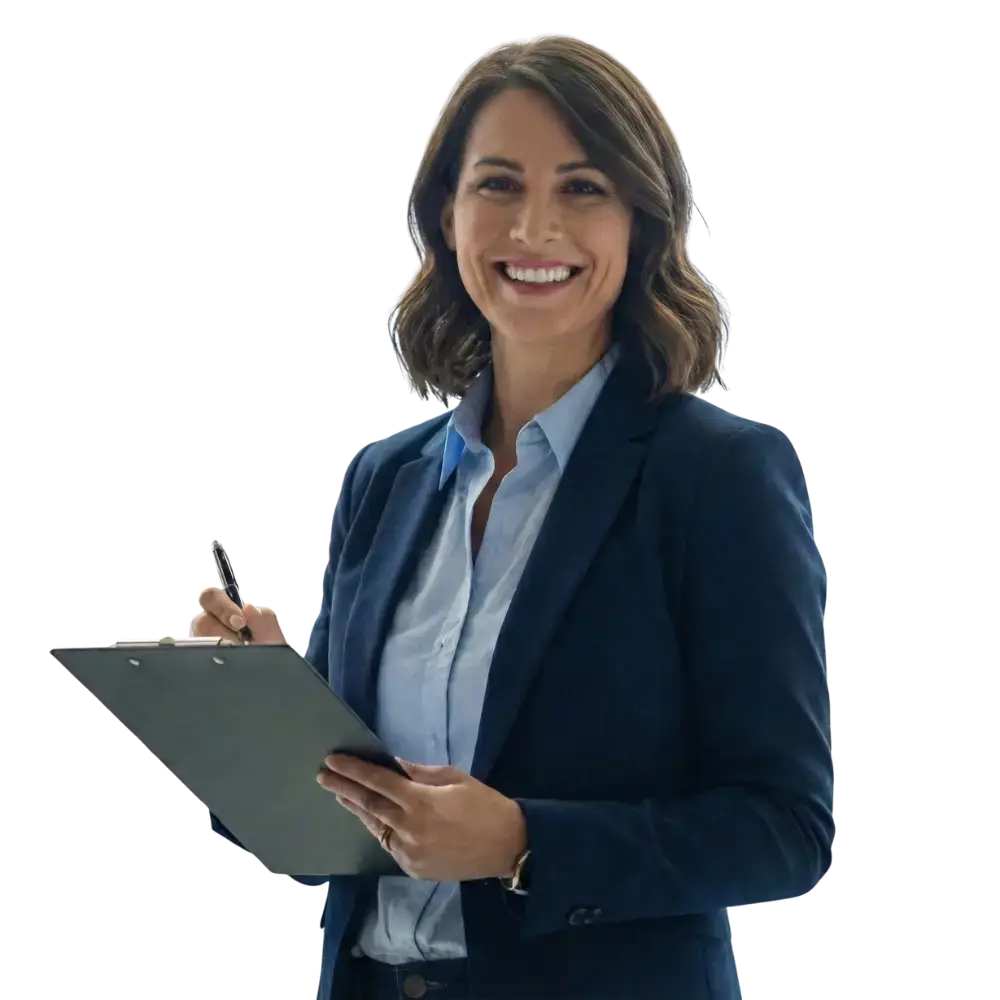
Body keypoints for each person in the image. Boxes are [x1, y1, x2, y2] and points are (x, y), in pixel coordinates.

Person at [195, 31, 833, 1000]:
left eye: (582, 187)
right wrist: (257, 708)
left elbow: (785, 829)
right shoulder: (385, 477)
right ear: (445, 213)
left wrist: (525, 845)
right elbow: (327, 842)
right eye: (497, 184)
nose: (534, 227)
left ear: (642, 221)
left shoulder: (717, 475)